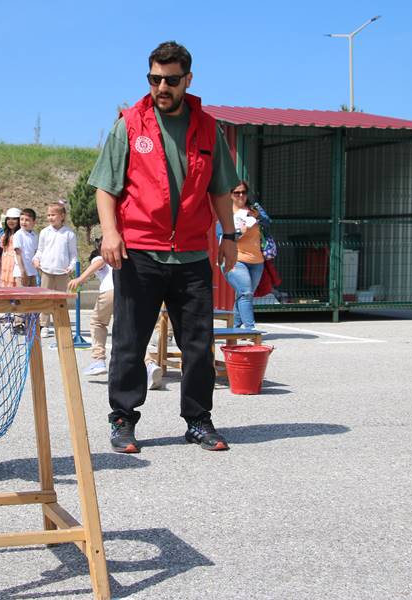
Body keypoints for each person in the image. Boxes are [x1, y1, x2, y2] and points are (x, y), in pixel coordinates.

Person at [89, 41, 240, 454]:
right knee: (128, 343)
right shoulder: (130, 123)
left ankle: (198, 420)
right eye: (154, 79)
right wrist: (110, 233)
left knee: (197, 344)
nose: (162, 87)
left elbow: (221, 189)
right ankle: (123, 419)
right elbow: (106, 186)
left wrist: (229, 236)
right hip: (139, 252)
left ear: (187, 80)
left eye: (171, 80)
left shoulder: (209, 128)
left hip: (191, 255)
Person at [221, 181, 269, 329]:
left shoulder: (254, 208)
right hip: (235, 259)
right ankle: (250, 329)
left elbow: (268, 222)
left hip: (257, 261)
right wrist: (239, 232)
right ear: (230, 195)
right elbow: (221, 237)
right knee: (246, 292)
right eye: (237, 193)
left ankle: (234, 329)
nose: (241, 196)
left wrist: (259, 217)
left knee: (244, 295)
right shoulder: (226, 213)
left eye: (243, 192)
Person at [68, 238, 113, 376]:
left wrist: (80, 278)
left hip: (110, 290)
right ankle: (149, 364)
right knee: (130, 329)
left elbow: (100, 261)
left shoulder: (98, 256)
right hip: (128, 291)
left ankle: (98, 360)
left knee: (97, 322)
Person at [32, 201, 77, 337]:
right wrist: (36, 259)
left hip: (62, 272)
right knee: (45, 299)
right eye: (48, 215)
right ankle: (44, 325)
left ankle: (60, 324)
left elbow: (73, 254)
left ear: (62, 216)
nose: (50, 217)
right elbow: (40, 250)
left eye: (53, 215)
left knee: (60, 300)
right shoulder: (45, 232)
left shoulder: (69, 234)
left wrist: (71, 266)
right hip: (46, 270)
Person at [13, 208, 38, 286]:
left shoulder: (35, 235)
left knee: (33, 297)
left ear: (34, 222)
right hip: (21, 273)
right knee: (23, 296)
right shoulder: (18, 234)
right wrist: (22, 271)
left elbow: (35, 253)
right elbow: (18, 254)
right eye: (21, 219)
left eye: (27, 220)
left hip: (32, 272)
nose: (23, 222)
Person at [0, 208, 21, 287]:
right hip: (5, 265)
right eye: (8, 219)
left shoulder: (21, 235)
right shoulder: (6, 234)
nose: (11, 221)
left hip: (16, 265)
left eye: (14, 219)